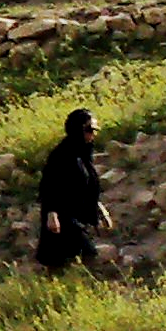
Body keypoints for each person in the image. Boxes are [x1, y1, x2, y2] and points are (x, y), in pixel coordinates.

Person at [37, 107, 112, 268]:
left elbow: (88, 186)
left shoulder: (84, 154)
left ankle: (71, 287)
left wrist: (100, 209)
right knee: (86, 253)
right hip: (62, 217)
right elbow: (49, 186)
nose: (92, 135)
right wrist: (51, 214)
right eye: (89, 130)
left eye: (94, 130)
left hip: (77, 216)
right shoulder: (61, 155)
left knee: (65, 262)